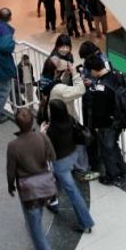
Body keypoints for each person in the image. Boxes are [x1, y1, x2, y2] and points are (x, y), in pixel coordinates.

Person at [6, 108, 57, 250]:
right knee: (37, 217)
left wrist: (10, 186)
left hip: (28, 189)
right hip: (44, 183)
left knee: (34, 224)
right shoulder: (42, 137)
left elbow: (11, 170)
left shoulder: (13, 146)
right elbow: (52, 156)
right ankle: (41, 249)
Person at [42, 100, 95, 233]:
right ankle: (53, 201)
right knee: (57, 179)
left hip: (61, 162)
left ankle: (86, 222)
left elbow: (46, 147)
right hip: (72, 154)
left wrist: (43, 133)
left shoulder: (53, 130)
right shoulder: (69, 120)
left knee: (72, 191)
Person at [84, 53, 126, 185]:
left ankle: (112, 175)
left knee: (107, 149)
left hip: (107, 123)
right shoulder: (116, 75)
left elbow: (99, 110)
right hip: (120, 119)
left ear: (94, 70)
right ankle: (123, 170)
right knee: (113, 145)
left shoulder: (101, 88)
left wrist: (95, 124)